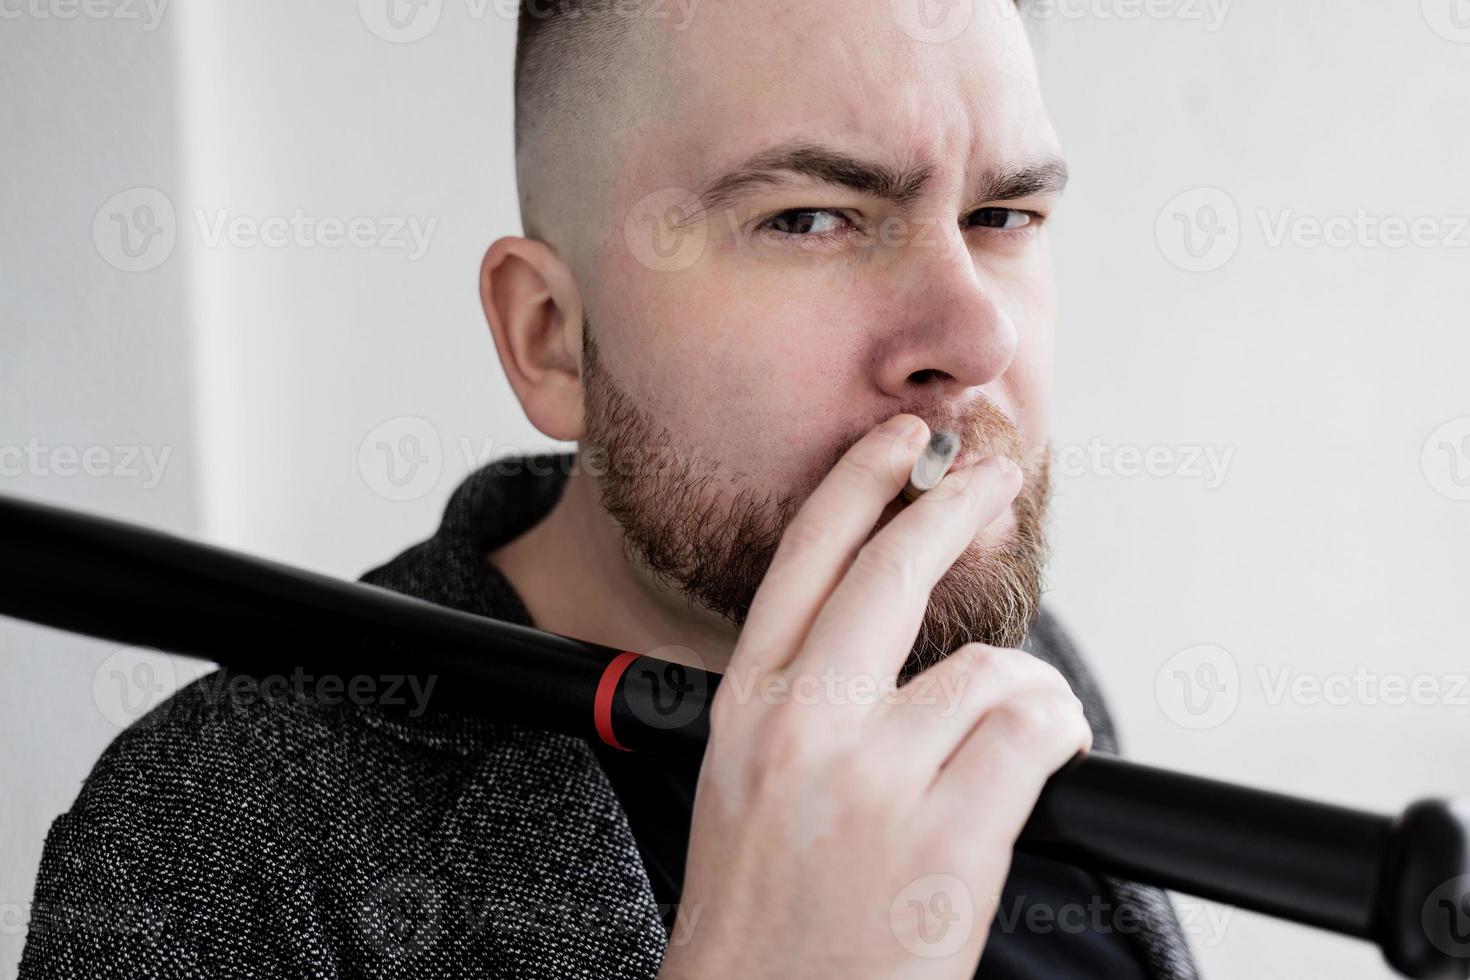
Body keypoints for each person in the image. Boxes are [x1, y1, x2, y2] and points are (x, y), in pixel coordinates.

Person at [21, 0, 1200, 976]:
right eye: (810, 217)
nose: (976, 337)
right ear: (550, 336)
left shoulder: (1013, 662)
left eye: (1003, 215)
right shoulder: (212, 838)